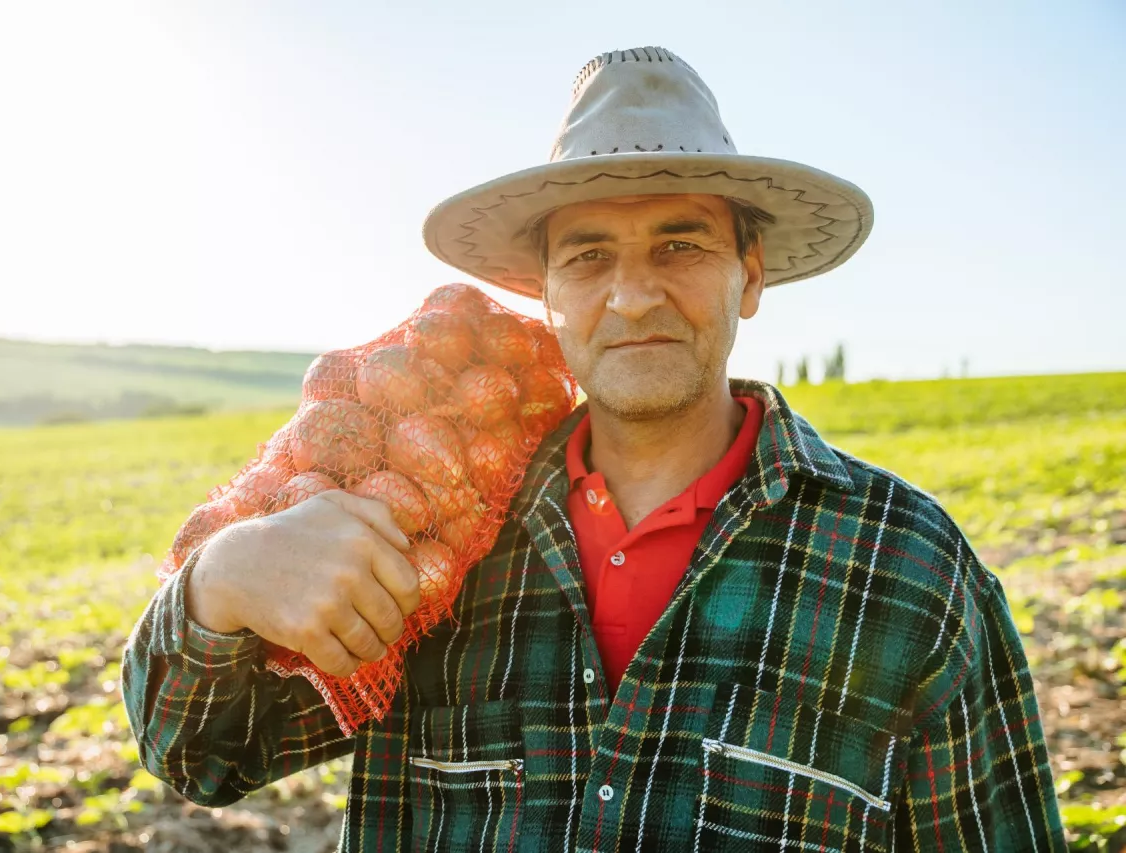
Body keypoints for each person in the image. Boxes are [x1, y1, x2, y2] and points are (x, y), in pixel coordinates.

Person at [123, 46, 1065, 851]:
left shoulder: (906, 568)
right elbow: (203, 751)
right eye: (588, 256)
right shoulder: (433, 535)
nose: (632, 295)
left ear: (751, 273)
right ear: (545, 292)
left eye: (680, 244)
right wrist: (225, 576)